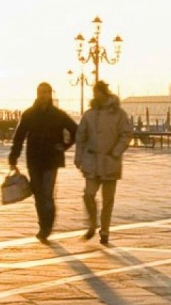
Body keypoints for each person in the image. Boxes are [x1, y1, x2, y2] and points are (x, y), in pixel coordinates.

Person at [8, 82, 78, 243]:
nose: (43, 95)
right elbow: (19, 137)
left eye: (46, 92)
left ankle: (47, 226)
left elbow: (75, 130)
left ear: (50, 94)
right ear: (37, 94)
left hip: (52, 160)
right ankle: (43, 225)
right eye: (41, 92)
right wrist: (13, 158)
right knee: (38, 195)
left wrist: (64, 146)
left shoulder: (58, 114)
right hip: (34, 160)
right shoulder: (29, 114)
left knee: (47, 194)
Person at [75, 80, 133, 245]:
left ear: (104, 93)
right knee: (88, 194)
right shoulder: (89, 114)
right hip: (92, 161)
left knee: (108, 199)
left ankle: (105, 230)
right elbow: (81, 137)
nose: (95, 95)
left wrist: (116, 151)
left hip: (110, 161)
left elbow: (126, 134)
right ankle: (92, 222)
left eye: (97, 92)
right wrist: (79, 157)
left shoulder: (118, 114)